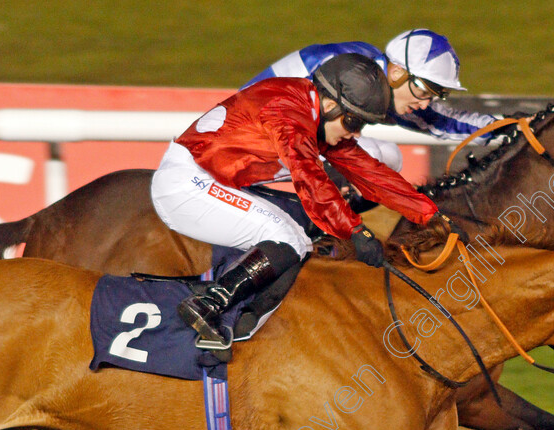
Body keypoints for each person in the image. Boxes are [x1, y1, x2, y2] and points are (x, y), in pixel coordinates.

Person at [151, 53, 459, 348]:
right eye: (354, 123)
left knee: (301, 235)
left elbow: (369, 172)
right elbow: (311, 178)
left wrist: (430, 214)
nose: (356, 132)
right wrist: (355, 230)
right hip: (187, 185)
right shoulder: (288, 113)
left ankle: (243, 324)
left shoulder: (312, 110)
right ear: (330, 103)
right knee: (288, 239)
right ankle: (209, 304)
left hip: (210, 179)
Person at [243, 29, 517, 175]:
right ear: (397, 72)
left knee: (387, 157)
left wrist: (506, 127)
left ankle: (320, 234)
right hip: (247, 142)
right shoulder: (352, 73)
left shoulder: (377, 78)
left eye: (434, 95)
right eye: (424, 91)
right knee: (373, 157)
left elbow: (442, 120)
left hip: (274, 141)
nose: (425, 104)